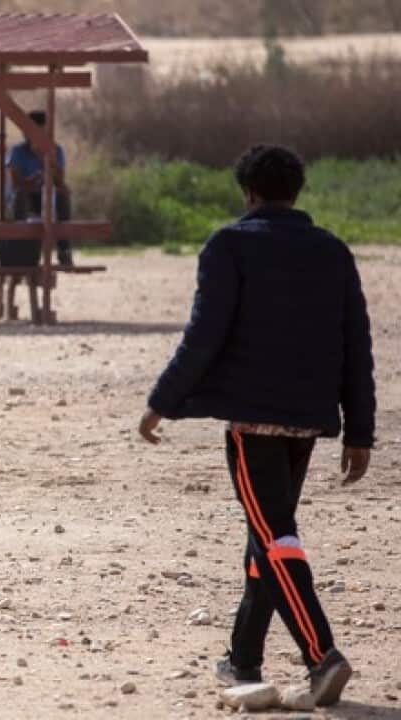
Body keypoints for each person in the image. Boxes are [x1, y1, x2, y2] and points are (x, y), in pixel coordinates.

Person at [138, 145, 373, 707]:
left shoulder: (229, 245)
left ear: (247, 193)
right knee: (269, 533)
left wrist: (160, 402)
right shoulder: (332, 251)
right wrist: (360, 431)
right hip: (311, 421)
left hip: (253, 422)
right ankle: (243, 656)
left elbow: (204, 335)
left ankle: (322, 655)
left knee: (274, 536)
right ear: (297, 192)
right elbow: (355, 345)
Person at [5, 110, 73, 267]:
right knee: (21, 195)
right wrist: (31, 182)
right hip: (23, 198)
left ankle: (64, 250)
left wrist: (46, 159)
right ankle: (19, 243)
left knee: (63, 195)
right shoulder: (18, 151)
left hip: (45, 197)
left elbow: (60, 182)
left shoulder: (56, 151)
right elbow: (15, 183)